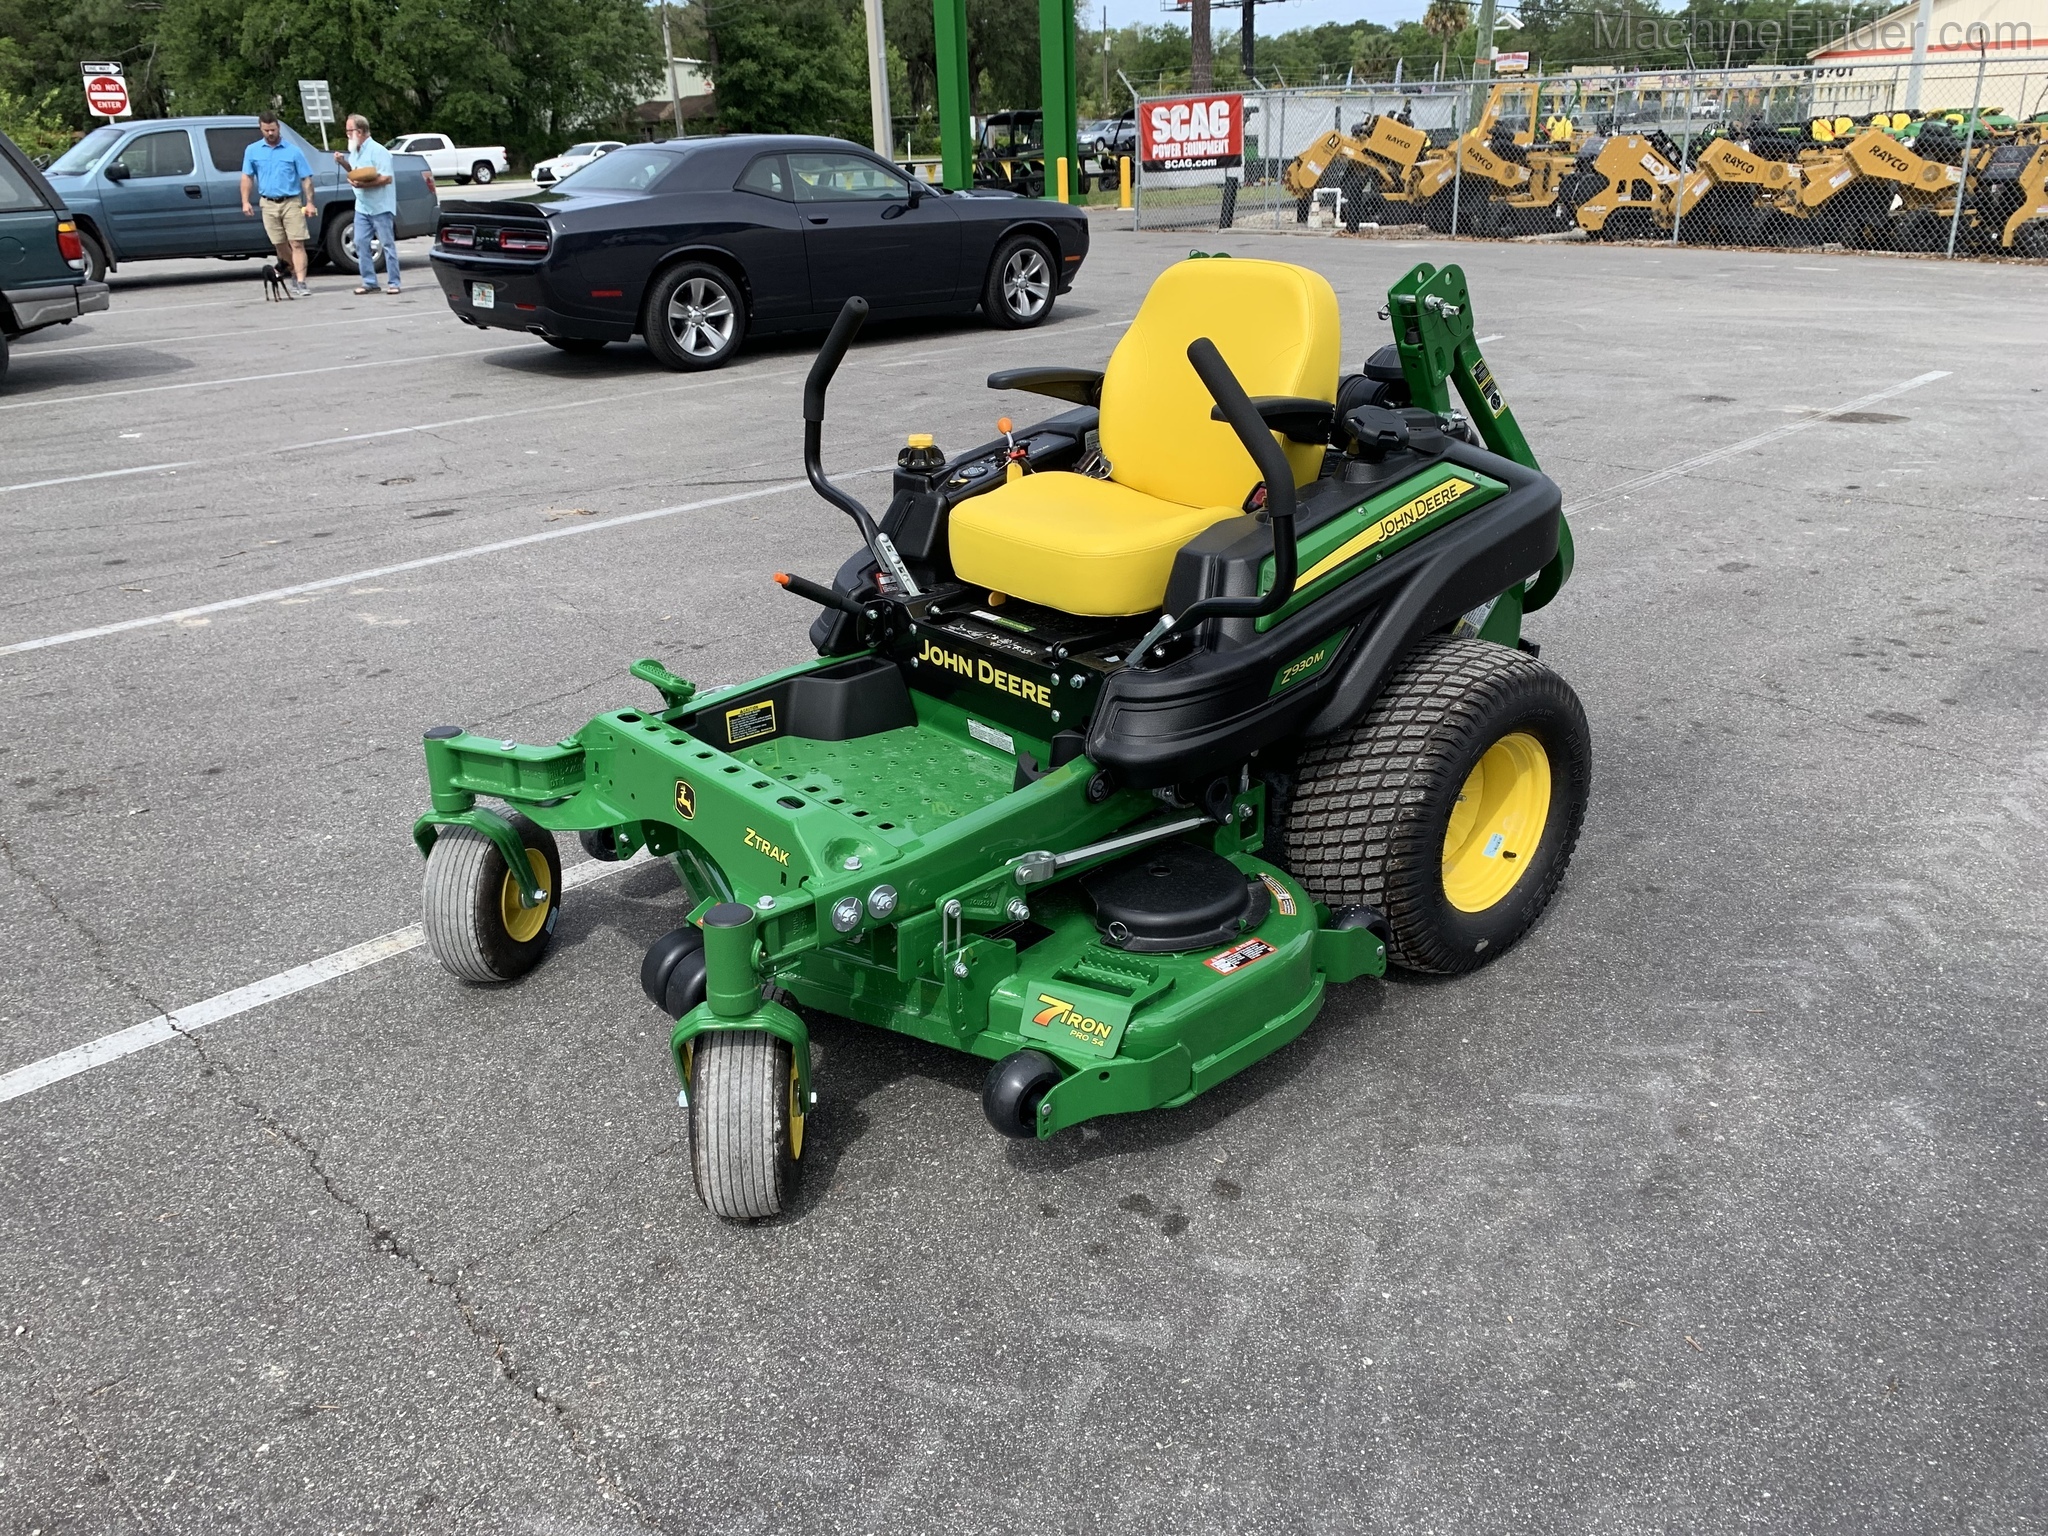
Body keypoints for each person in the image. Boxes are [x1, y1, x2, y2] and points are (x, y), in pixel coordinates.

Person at [240, 112, 316, 297]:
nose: (270, 133)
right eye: (266, 130)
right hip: (268, 203)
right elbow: (247, 177)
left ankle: (301, 281)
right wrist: (245, 201)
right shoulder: (253, 150)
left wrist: (310, 203)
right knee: (280, 244)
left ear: (278, 128)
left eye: (273, 129)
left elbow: (306, 178)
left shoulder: (293, 151)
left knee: (297, 242)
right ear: (261, 129)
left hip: (291, 201)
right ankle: (292, 271)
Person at [335, 114, 400, 295]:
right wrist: (343, 163)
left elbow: (386, 178)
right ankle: (369, 282)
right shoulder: (355, 150)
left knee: (387, 244)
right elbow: (355, 171)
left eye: (350, 130)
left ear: (360, 131)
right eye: (347, 131)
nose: (347, 134)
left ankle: (394, 282)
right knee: (360, 242)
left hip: (380, 206)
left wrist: (364, 185)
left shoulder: (378, 151)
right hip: (362, 206)